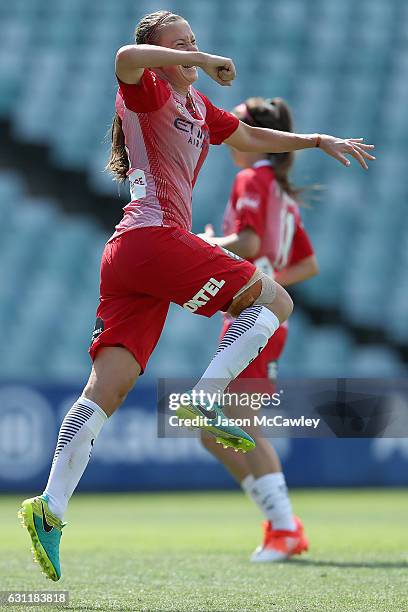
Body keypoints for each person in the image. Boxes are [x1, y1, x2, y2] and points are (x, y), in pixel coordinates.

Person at [18, 10, 375, 581]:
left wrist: (313, 140)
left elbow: (250, 136)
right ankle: (205, 399)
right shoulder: (150, 89)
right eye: (179, 44)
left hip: (131, 255)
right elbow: (123, 60)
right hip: (152, 237)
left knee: (105, 389)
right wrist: (196, 61)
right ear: (164, 54)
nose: (193, 50)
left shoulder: (195, 107)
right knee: (274, 301)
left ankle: (50, 507)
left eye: (195, 41)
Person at [199, 96, 318, 562]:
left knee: (240, 424)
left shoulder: (252, 178)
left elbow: (248, 242)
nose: (227, 127)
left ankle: (285, 529)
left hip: (254, 320)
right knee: (212, 433)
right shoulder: (281, 192)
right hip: (255, 315)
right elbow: (306, 264)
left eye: (236, 120)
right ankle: (279, 519)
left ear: (254, 134)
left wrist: (207, 245)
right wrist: (268, 284)